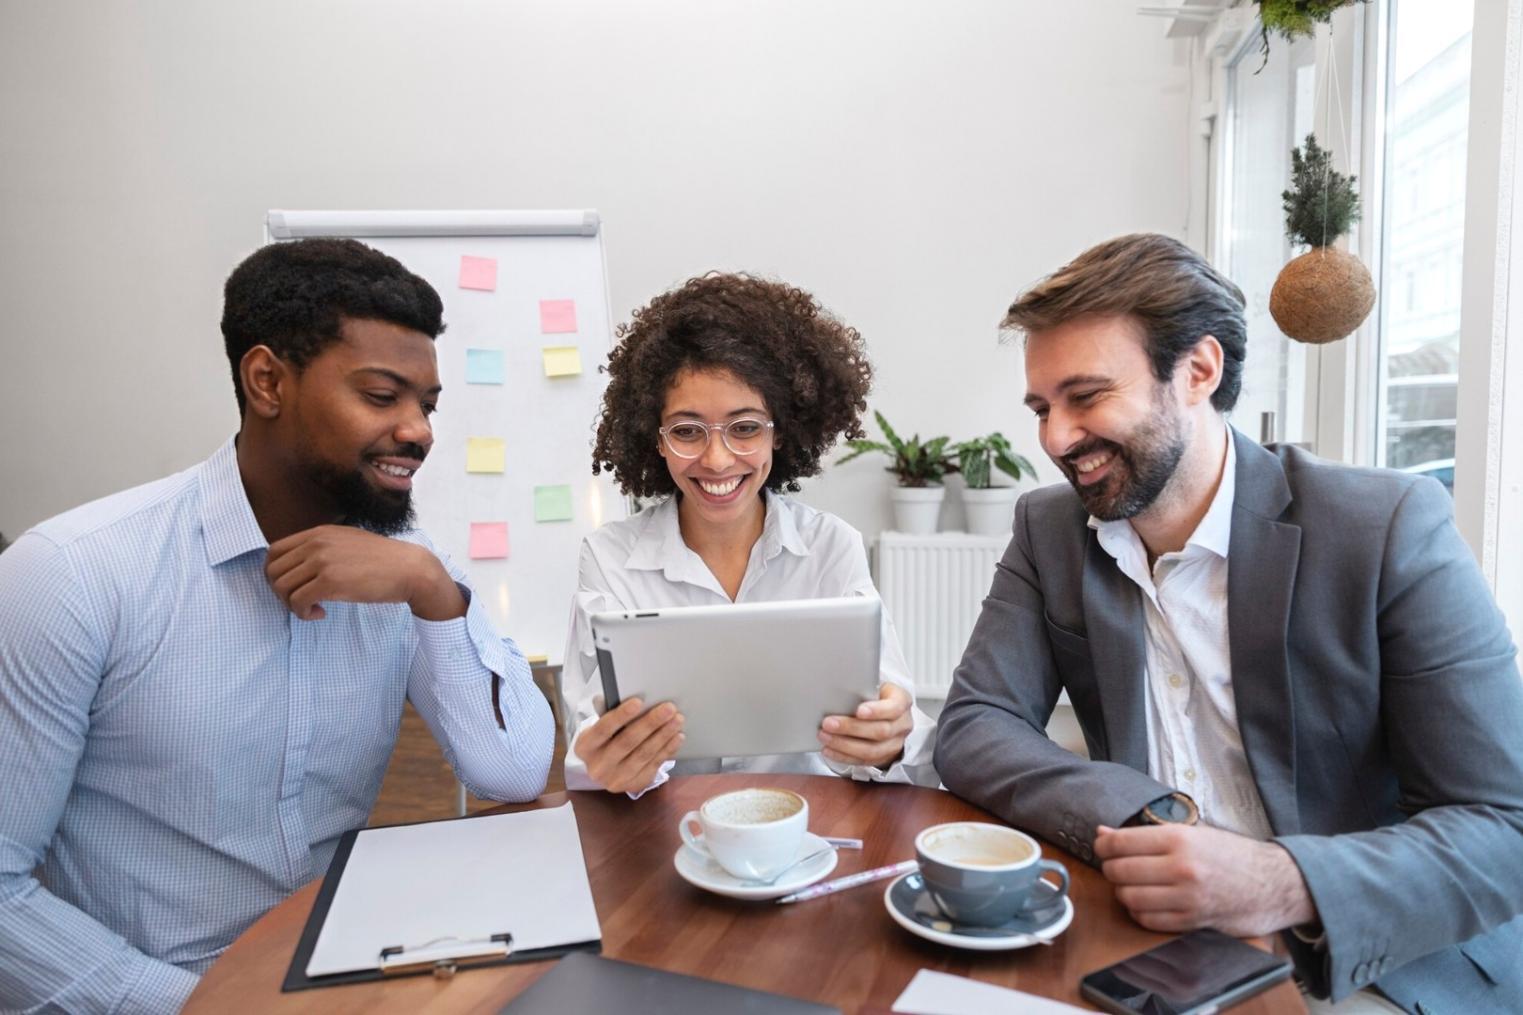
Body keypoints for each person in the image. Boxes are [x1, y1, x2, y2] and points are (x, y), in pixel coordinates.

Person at [934, 233, 1523, 1012]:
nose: (1054, 438)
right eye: (1043, 407)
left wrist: (1280, 879)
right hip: (1153, 939)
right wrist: (1144, 813)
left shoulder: (1384, 527)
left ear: (1198, 371)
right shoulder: (1050, 530)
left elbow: (1502, 825)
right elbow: (973, 724)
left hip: (1369, 958)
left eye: (1086, 396)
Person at [0, 238, 555, 1012]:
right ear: (266, 380)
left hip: (345, 979)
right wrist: (211, 1006)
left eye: (426, 405)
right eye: (381, 394)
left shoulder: (404, 566)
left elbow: (513, 771)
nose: (420, 431)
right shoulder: (71, 573)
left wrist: (434, 589)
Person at [562, 273, 937, 795]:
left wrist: (889, 739)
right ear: (656, 439)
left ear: (780, 430)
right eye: (688, 431)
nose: (717, 460)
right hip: (666, 834)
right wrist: (606, 761)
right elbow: (586, 742)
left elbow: (904, 735)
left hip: (811, 825)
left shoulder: (832, 549)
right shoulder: (609, 558)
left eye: (744, 427)